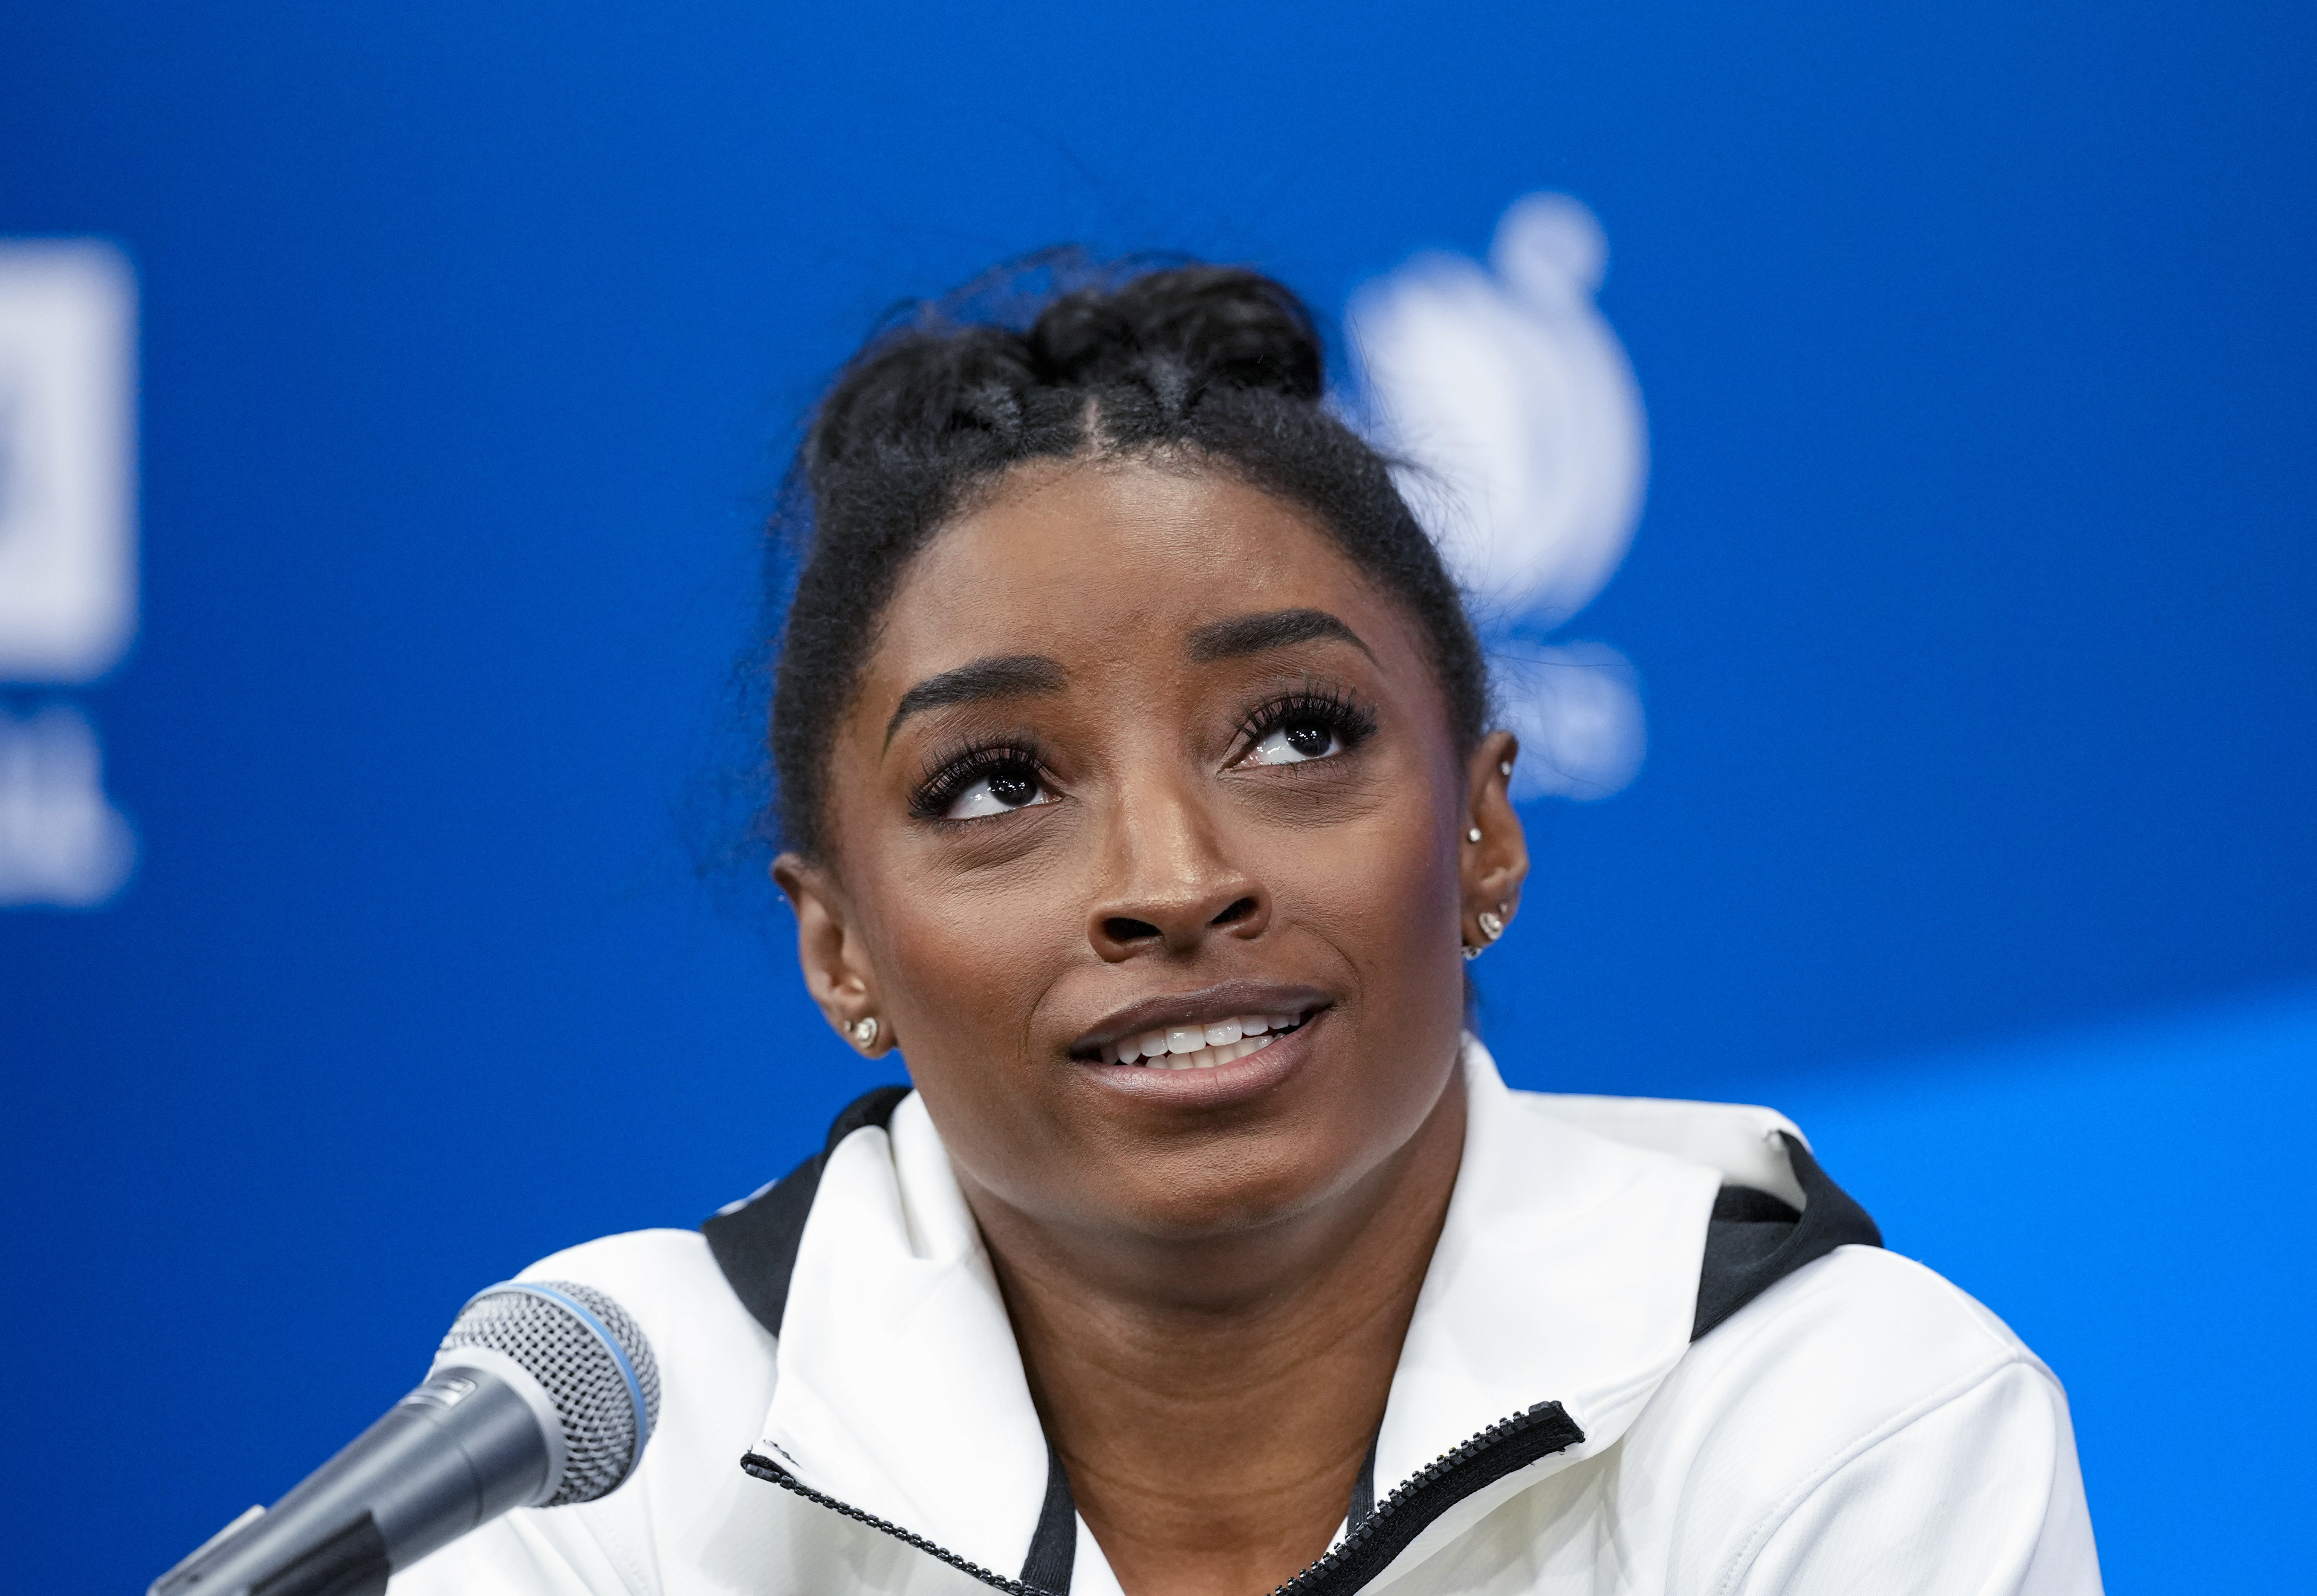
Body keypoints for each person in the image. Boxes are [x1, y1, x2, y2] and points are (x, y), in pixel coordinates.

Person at [394, 262, 2101, 1596]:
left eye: (1296, 735)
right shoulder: (611, 1438)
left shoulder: (1847, 1418)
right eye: (995, 785)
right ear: (842, 951)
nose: (1172, 874)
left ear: (1485, 830)